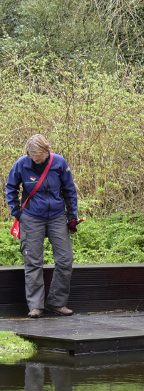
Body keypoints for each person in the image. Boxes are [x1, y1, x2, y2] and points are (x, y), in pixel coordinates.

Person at [5, 134, 79, 318]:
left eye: (38, 155)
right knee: (33, 262)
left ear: (47, 151)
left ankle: (56, 303)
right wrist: (17, 213)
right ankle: (36, 306)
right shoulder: (22, 164)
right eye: (32, 155)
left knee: (65, 260)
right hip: (31, 217)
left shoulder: (59, 163)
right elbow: (10, 188)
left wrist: (72, 216)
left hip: (56, 216)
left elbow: (69, 190)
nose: (35, 158)